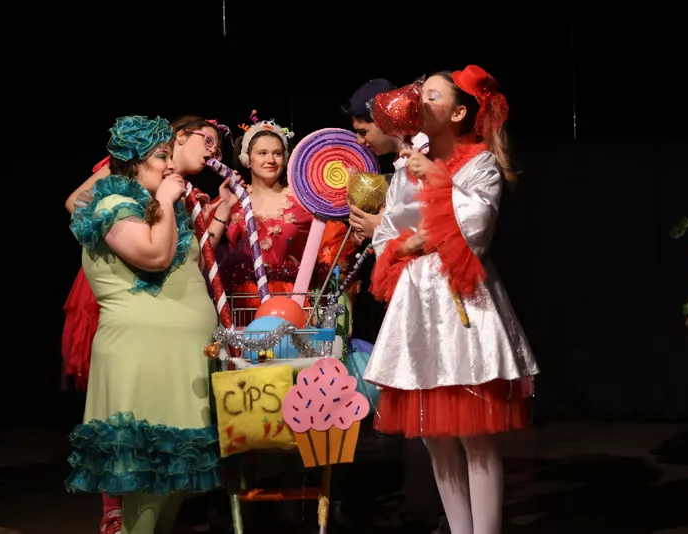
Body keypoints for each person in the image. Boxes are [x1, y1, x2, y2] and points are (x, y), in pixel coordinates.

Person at [364, 66, 539, 534]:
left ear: (459, 113)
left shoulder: (479, 165)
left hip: (464, 308)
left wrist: (439, 179)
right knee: (435, 438)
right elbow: (386, 235)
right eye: (421, 94)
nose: (420, 102)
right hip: (417, 307)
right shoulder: (406, 168)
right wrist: (407, 243)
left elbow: (475, 228)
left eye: (433, 96)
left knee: (474, 437)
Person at [61, 116, 230, 534]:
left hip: (181, 358)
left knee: (174, 479)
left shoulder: (159, 209)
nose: (171, 165)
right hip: (143, 358)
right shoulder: (110, 206)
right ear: (134, 162)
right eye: (160, 156)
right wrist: (169, 200)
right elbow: (153, 256)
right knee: (148, 477)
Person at [340, 79, 443, 532]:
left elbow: (431, 227)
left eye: (364, 129)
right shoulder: (401, 167)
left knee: (432, 399)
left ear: (384, 119)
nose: (362, 140)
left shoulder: (424, 160)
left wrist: (381, 228)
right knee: (417, 399)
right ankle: (423, 501)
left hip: (433, 294)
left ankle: (437, 508)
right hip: (410, 293)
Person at [215, 114, 355, 320]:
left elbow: (334, 243)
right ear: (247, 158)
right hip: (240, 300)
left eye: (277, 153)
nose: (271, 160)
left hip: (292, 299)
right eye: (262, 153)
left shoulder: (303, 202)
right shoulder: (231, 201)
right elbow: (207, 247)